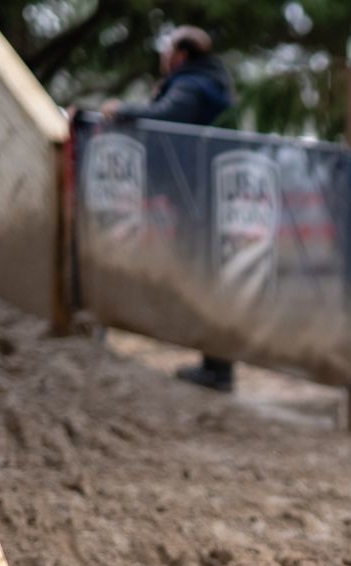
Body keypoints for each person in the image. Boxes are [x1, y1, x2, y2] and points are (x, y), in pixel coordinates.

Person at [101, 25, 237, 393]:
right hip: (204, 197)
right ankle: (215, 364)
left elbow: (165, 115)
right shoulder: (207, 81)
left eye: (167, 50)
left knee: (206, 280)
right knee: (205, 279)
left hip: (200, 199)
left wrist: (122, 110)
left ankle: (218, 368)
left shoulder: (193, 85)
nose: (162, 57)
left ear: (181, 55)